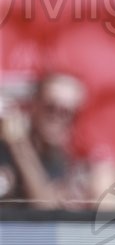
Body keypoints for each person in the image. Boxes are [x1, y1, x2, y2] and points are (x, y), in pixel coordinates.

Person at [0, 73, 90, 209]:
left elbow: (48, 205)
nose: (58, 118)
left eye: (67, 112)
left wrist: (19, 144)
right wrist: (17, 142)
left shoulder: (64, 158)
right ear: (34, 105)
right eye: (50, 108)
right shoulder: (5, 150)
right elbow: (43, 206)